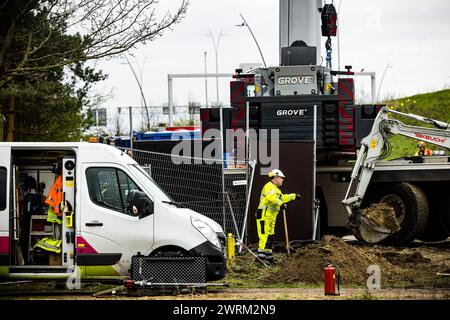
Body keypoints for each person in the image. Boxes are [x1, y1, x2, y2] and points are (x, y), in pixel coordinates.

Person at [255, 169, 301, 264]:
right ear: (276, 178)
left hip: (270, 216)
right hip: (264, 215)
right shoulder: (269, 186)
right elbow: (271, 198)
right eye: (281, 178)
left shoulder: (276, 189)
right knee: (264, 236)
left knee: (270, 236)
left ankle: (269, 258)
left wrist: (293, 196)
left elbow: (282, 198)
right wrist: (281, 204)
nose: (282, 180)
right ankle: (260, 259)